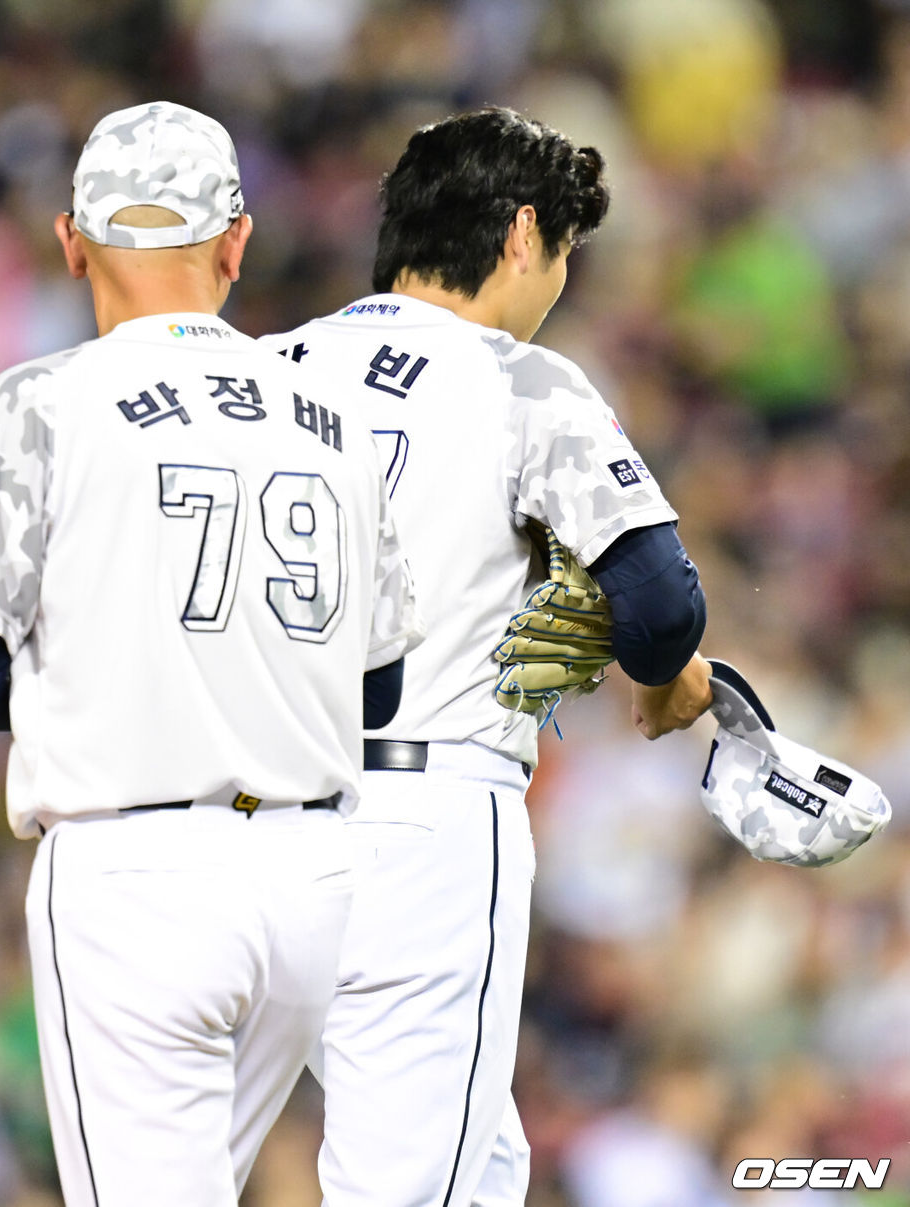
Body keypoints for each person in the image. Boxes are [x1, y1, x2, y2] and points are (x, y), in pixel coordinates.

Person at [0, 100, 422, 1207]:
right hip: (312, 881)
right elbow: (379, 683)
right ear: (236, 242)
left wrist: (118, 692)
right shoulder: (333, 411)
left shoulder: (40, 402)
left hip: (137, 880)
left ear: (71, 242)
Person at [261, 106, 713, 1206]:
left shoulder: (261, 369)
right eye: (562, 252)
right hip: (421, 820)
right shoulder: (515, 378)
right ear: (521, 234)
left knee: (482, 1162)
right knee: (420, 1187)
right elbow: (658, 609)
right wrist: (664, 670)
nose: (556, 282)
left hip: (232, 822)